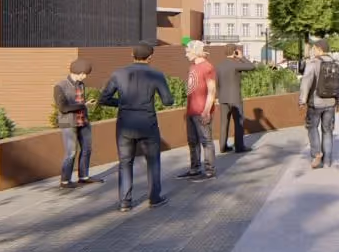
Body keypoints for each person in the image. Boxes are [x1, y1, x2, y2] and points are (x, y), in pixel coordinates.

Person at [99, 42, 174, 212]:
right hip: (148, 122)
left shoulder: (118, 73)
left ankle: (125, 202)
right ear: (150, 57)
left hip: (125, 124)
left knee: (125, 162)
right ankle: (154, 198)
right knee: (153, 161)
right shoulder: (156, 74)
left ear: (132, 55)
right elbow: (168, 101)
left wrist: (123, 103)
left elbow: (104, 98)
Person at [53, 58, 103, 189]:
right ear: (79, 72)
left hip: (83, 121)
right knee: (71, 152)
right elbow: (63, 108)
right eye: (85, 73)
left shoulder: (81, 85)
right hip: (68, 123)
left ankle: (84, 177)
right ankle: (65, 181)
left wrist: (84, 106)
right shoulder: (60, 86)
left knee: (87, 149)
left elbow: (79, 104)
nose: (85, 76)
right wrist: (83, 105)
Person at [298, 41, 339, 169]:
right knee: (328, 130)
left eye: (314, 49)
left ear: (319, 49)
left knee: (312, 128)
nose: (313, 51)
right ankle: (327, 160)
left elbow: (306, 82)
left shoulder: (313, 63)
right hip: (331, 103)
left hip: (315, 103)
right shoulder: (337, 65)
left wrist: (302, 100)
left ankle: (316, 154)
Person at [178, 40, 217, 180]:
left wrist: (206, 111)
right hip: (191, 111)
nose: (186, 54)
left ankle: (209, 171)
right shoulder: (192, 66)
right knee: (192, 141)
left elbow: (212, 91)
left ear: (195, 51)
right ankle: (194, 169)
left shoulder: (207, 67)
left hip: (202, 111)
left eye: (188, 51)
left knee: (206, 141)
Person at [215, 45, 255, 153]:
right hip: (235, 99)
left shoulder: (219, 66)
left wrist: (218, 97)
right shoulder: (236, 64)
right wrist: (242, 57)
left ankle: (223, 147)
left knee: (224, 123)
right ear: (234, 52)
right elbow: (251, 67)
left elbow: (217, 84)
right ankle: (239, 147)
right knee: (238, 122)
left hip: (223, 98)